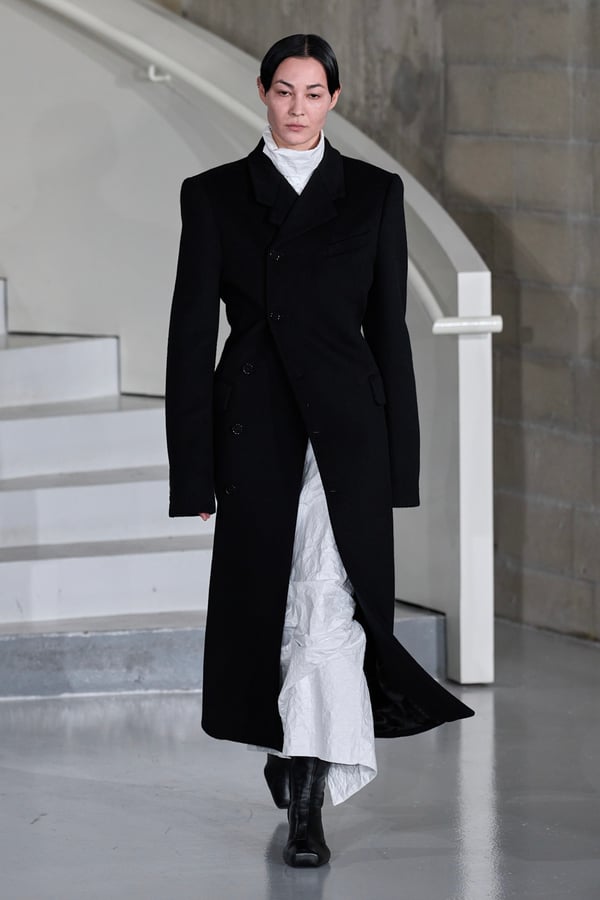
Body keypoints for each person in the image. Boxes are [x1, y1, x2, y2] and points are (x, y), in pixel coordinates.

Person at [165, 33, 474, 868]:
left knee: (329, 605)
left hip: (347, 436)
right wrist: (193, 472)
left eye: (313, 93)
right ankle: (292, 747)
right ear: (262, 92)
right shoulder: (215, 195)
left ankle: (307, 801)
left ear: (334, 99)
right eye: (284, 91)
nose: (298, 108)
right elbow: (190, 339)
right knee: (278, 607)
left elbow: (389, 335)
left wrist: (400, 465)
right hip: (256, 430)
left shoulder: (373, 194)